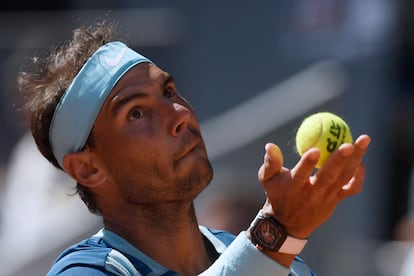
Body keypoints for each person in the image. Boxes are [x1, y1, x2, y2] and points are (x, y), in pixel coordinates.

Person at [17, 20, 371, 276]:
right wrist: (278, 232)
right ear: (88, 168)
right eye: (136, 113)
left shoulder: (283, 264)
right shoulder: (84, 273)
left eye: (169, 92)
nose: (180, 115)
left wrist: (280, 240)